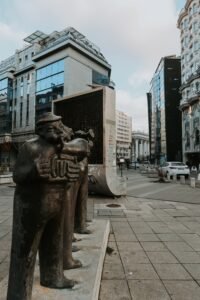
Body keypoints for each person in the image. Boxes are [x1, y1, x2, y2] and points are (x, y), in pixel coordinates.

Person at [7, 113, 85, 300]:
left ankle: (53, 276)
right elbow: (17, 175)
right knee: (26, 250)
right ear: (40, 131)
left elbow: (81, 150)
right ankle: (19, 293)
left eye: (59, 127)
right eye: (52, 129)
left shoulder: (64, 149)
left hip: (57, 202)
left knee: (54, 243)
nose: (57, 132)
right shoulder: (30, 147)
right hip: (32, 205)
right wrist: (33, 171)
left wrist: (70, 176)